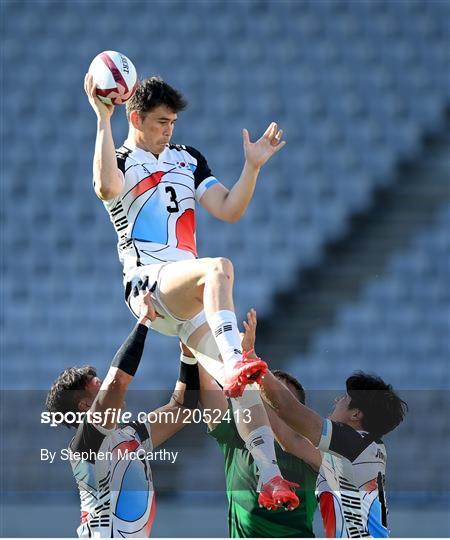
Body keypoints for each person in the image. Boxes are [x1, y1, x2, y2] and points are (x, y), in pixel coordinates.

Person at [84, 73, 299, 509]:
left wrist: (252, 167)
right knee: (219, 268)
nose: (169, 130)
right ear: (136, 117)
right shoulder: (120, 157)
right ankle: (236, 359)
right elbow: (106, 188)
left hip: (189, 294)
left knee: (244, 388)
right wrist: (102, 119)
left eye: (174, 123)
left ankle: (271, 478)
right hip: (149, 284)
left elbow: (228, 209)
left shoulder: (188, 159)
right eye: (161, 122)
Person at [45, 281, 200, 538]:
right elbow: (118, 381)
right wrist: (145, 320)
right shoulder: (86, 443)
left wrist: (187, 353)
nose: (106, 384)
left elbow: (183, 408)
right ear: (84, 405)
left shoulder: (132, 435)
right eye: (98, 384)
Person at [189, 309, 321, 537]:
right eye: (268, 397)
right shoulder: (238, 439)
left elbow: (291, 437)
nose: (271, 404)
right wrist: (196, 334)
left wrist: (249, 362)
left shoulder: (312, 455)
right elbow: (206, 387)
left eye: (278, 401)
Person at [259, 359, 408, 537]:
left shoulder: (353, 444)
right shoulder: (362, 449)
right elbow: (291, 441)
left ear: (356, 414)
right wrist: (255, 389)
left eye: (345, 398)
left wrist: (257, 370)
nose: (337, 400)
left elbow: (288, 409)